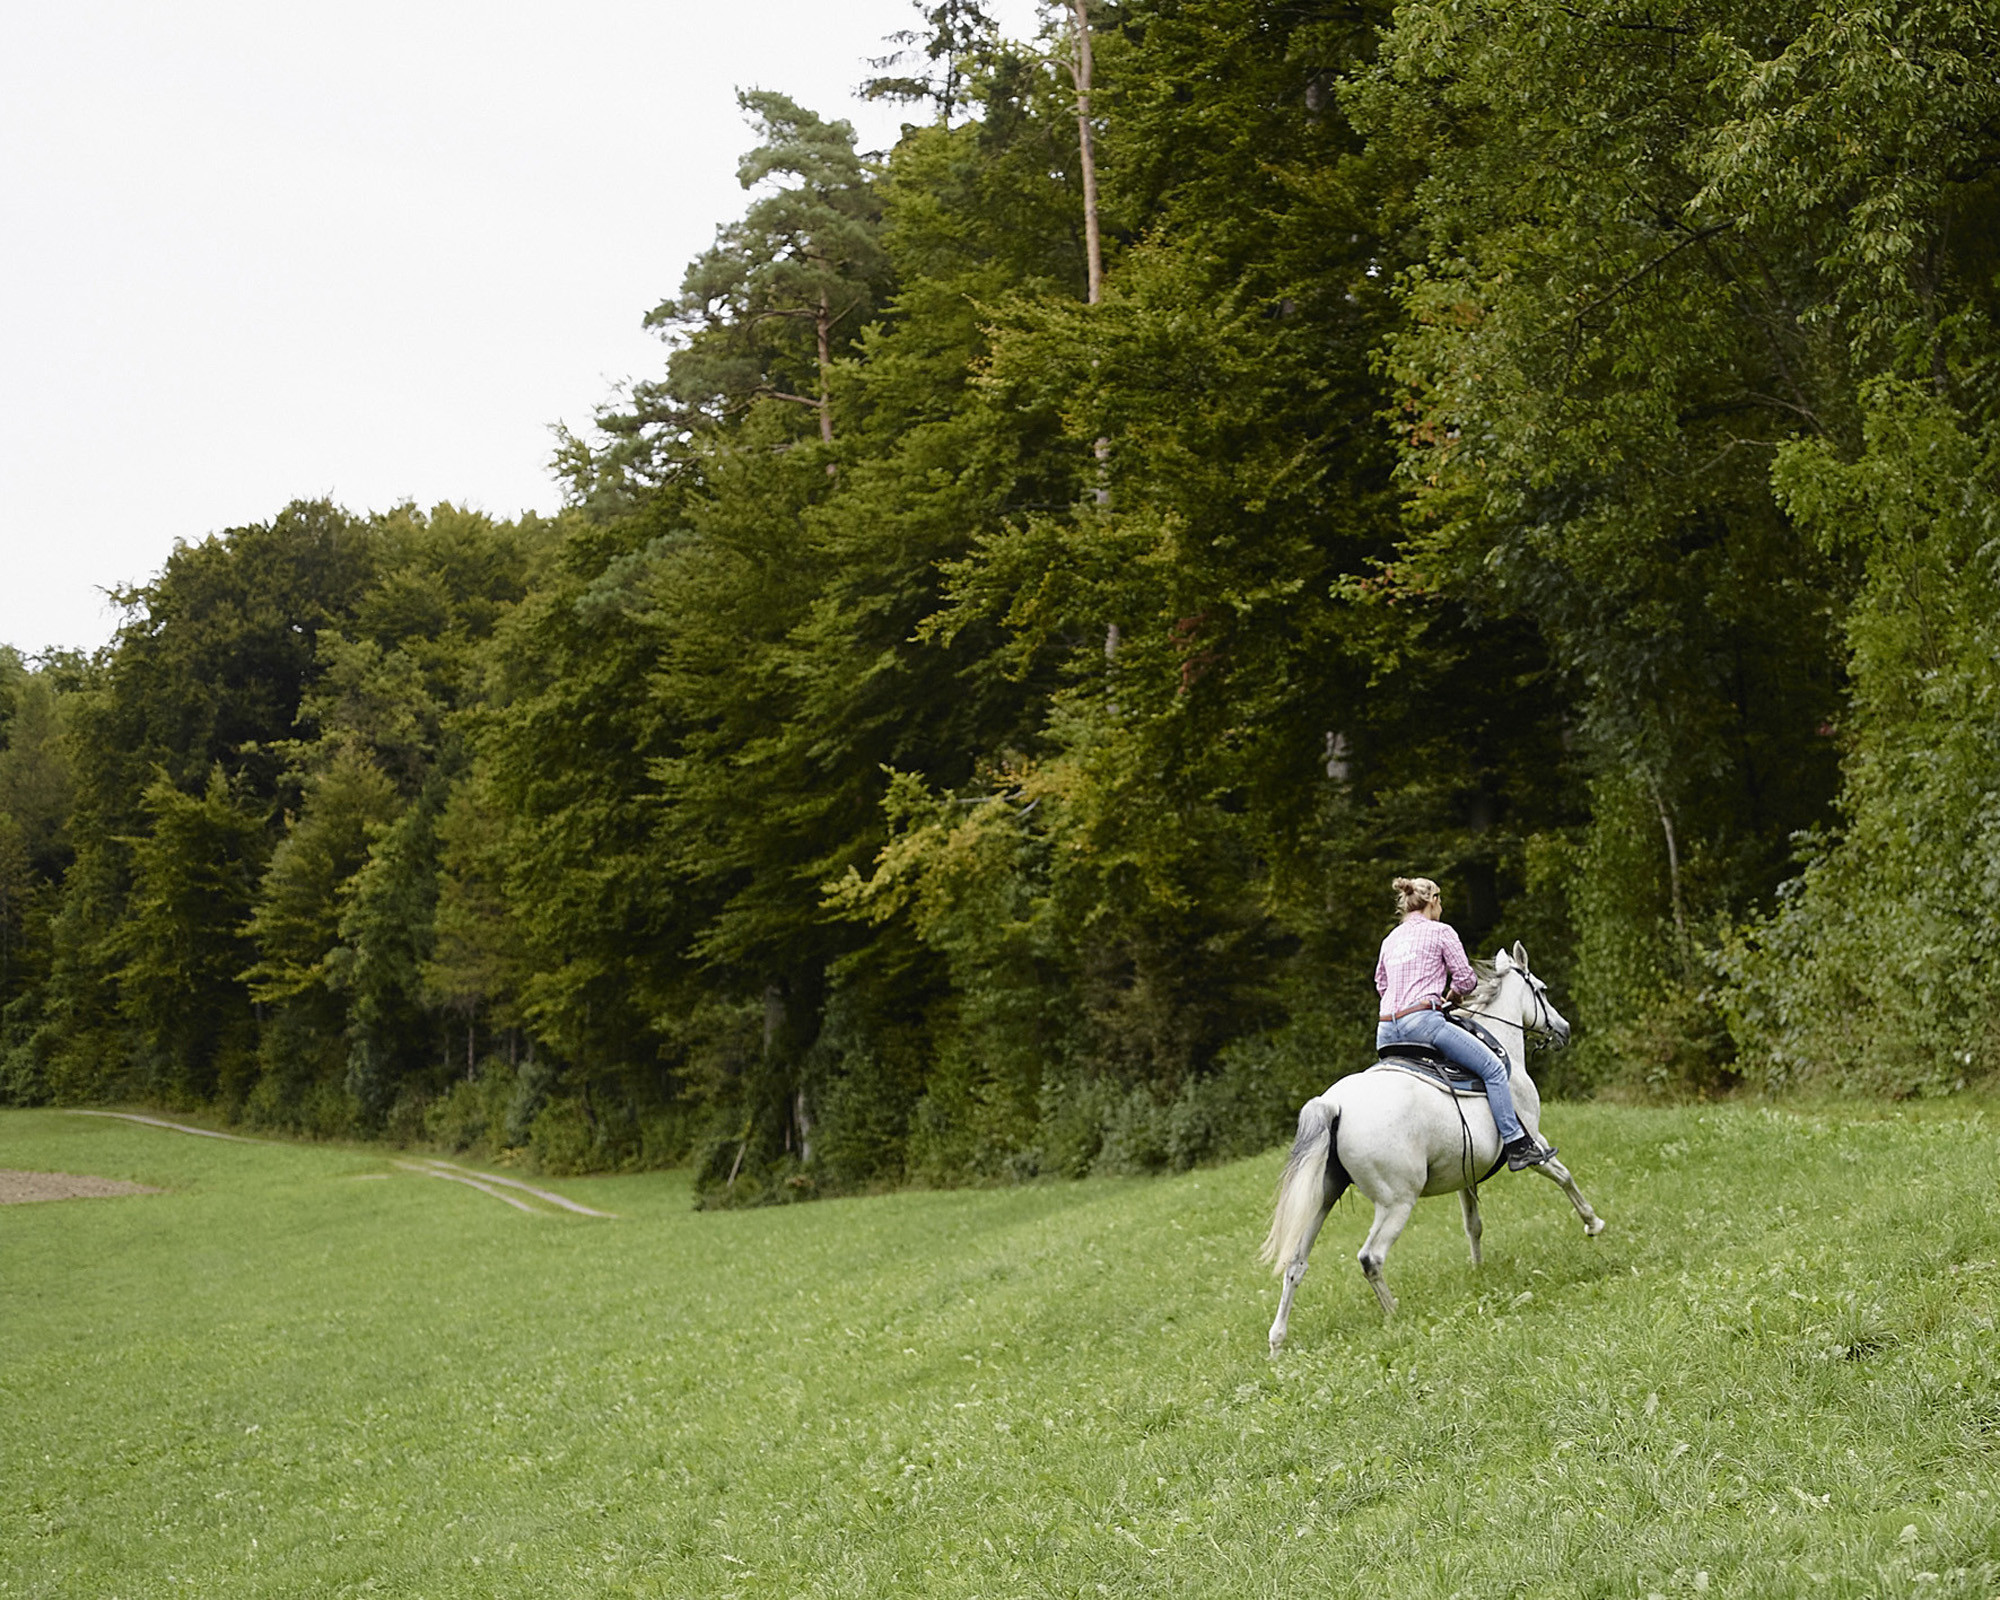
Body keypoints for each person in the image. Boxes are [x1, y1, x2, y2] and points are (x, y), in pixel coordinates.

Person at [1374, 875, 1554, 1171]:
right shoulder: (1441, 932)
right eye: (1440, 900)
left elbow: (1381, 985)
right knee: (1494, 1069)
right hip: (1423, 1024)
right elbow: (1467, 980)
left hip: (1385, 1033)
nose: (1441, 907)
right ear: (1432, 901)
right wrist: (1452, 996)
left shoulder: (1390, 939)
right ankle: (1517, 1144)